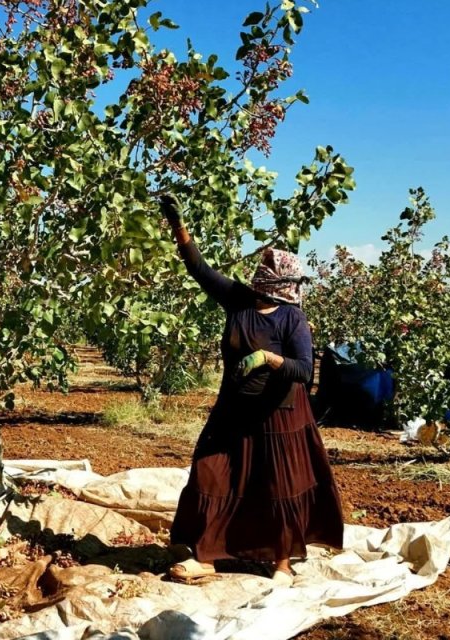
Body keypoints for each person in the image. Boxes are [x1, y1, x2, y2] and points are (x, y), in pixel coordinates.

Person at [159, 194, 344, 586]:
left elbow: (304, 371)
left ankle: (281, 561)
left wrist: (268, 359)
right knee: (211, 475)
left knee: (278, 486)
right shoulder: (239, 301)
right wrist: (178, 226)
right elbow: (199, 269)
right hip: (233, 411)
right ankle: (206, 556)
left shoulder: (291, 318)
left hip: (279, 417)